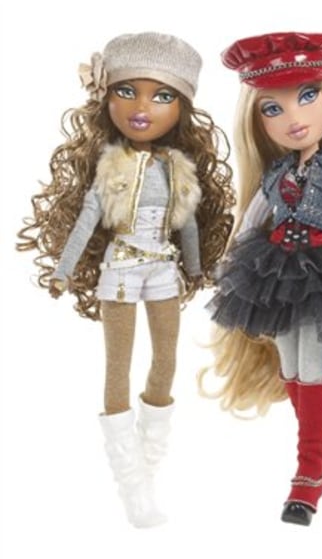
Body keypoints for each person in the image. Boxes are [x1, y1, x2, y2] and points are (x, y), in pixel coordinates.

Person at [16, 32, 235, 527]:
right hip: (119, 269)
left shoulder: (178, 168)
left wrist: (196, 268)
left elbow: (188, 226)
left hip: (162, 268)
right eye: (126, 91)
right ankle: (130, 481)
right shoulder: (109, 165)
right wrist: (63, 270)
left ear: (181, 107)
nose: (142, 108)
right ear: (106, 98)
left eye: (162, 96)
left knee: (166, 360)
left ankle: (145, 470)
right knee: (118, 366)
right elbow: (86, 222)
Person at [204, 32, 322, 526]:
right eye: (272, 108)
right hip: (276, 271)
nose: (293, 117)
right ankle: (317, 449)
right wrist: (229, 265)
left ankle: (308, 471)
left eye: (308, 96)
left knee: (313, 367)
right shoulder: (273, 177)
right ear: (258, 122)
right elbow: (249, 224)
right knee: (290, 365)